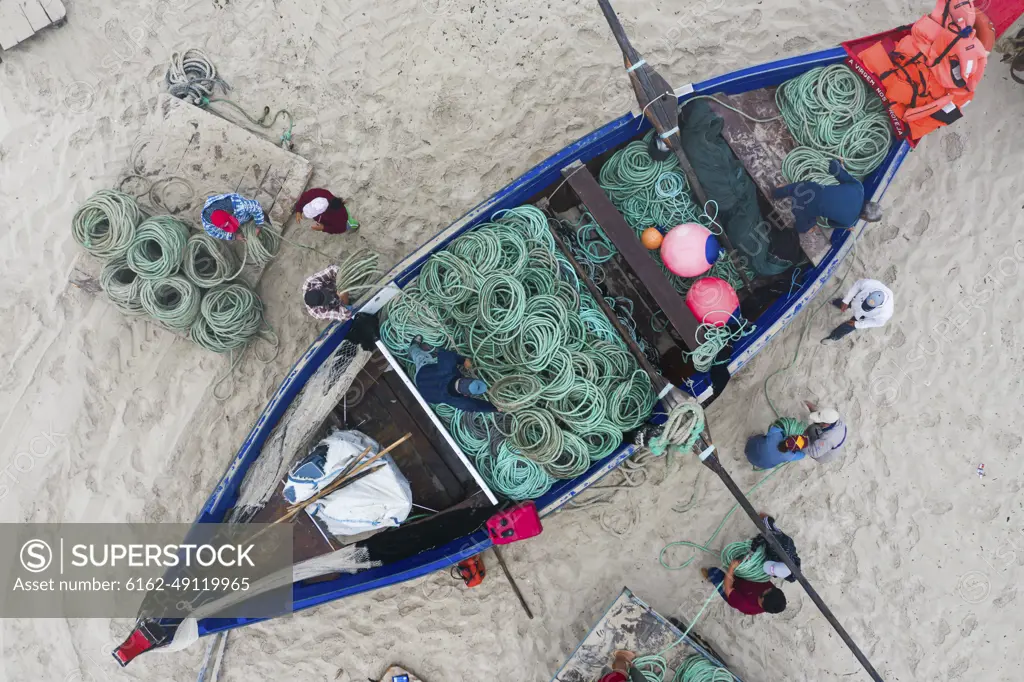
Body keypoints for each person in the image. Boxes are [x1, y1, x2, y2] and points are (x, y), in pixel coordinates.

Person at [773, 160, 883, 233]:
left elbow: (833, 167)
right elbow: (829, 222)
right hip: (802, 210)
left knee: (794, 189)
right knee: (802, 228)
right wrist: (847, 226)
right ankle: (805, 225)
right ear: (864, 218)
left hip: (806, 190)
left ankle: (777, 192)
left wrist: (840, 164)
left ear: (870, 202)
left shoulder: (858, 188)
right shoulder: (849, 222)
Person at [408, 339, 496, 413]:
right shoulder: (456, 401)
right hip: (426, 393)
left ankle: (413, 347)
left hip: (424, 372)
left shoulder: (448, 368)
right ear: (465, 395)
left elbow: (443, 353)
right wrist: (495, 408)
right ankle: (413, 348)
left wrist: (463, 360)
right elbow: (476, 406)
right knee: (421, 359)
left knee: (419, 356)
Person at [701, 560, 787, 615]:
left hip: (732, 590)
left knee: (713, 572)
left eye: (767, 591)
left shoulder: (745, 604)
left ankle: (710, 578)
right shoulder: (772, 592)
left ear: (762, 600)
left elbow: (727, 588)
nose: (768, 588)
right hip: (745, 581)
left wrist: (731, 568)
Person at [821, 278, 894, 343]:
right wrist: (846, 300)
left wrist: (858, 324)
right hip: (857, 301)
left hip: (864, 316)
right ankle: (836, 302)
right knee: (846, 303)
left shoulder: (885, 313)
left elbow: (877, 323)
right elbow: (858, 285)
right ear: (870, 293)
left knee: (850, 325)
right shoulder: (871, 284)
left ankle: (833, 337)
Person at [750, 513, 801, 582]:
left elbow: (776, 570)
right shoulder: (779, 546)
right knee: (766, 524)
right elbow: (763, 536)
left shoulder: (789, 573)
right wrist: (752, 550)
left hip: (778, 555)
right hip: (782, 541)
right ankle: (769, 522)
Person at [201, 192, 266, 240]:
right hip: (223, 212)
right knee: (238, 230)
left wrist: (259, 226)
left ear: (230, 214)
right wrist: (235, 236)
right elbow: (217, 234)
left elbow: (257, 206)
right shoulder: (208, 227)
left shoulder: (239, 205)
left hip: (238, 209)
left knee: (262, 216)